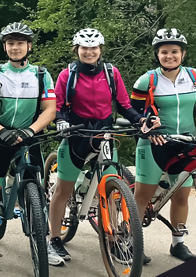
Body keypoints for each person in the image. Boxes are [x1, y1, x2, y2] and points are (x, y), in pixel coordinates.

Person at [130, 28, 196, 262]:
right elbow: (133, 112)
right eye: (164, 52)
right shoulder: (147, 80)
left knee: (181, 197)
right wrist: (148, 130)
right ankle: (133, 243)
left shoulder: (195, 77)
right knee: (142, 197)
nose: (170, 56)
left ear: (183, 53)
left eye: (174, 52)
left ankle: (178, 244)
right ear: (157, 55)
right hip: (155, 143)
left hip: (187, 143)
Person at [48, 28, 150, 263]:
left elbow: (124, 105)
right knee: (63, 189)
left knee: (114, 191)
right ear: (77, 50)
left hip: (104, 135)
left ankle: (115, 240)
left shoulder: (111, 73)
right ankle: (54, 239)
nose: (89, 52)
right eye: (84, 48)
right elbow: (59, 105)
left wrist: (139, 119)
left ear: (100, 49)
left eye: (94, 48)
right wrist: (61, 120)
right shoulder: (68, 74)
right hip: (76, 135)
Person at [0, 23, 58, 267]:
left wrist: (31, 130)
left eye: (20, 43)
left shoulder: (41, 75)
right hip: (1, 139)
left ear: (29, 46)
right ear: (5, 46)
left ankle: (44, 242)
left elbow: (50, 110)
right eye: (10, 43)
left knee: (38, 193)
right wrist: (1, 130)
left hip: (30, 138)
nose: (15, 47)